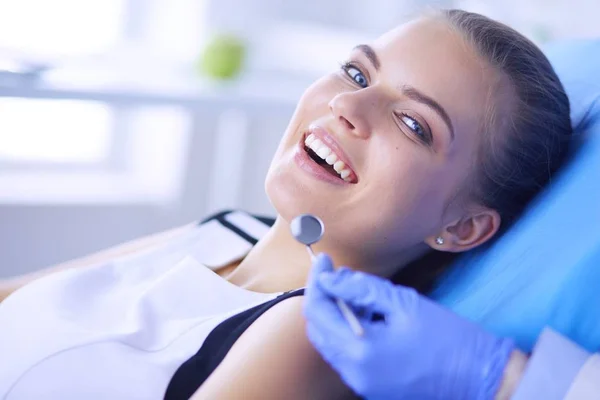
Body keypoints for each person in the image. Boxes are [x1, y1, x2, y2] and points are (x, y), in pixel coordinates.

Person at [0, 9, 572, 399]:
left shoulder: (306, 333)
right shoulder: (223, 229)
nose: (348, 103)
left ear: (463, 226)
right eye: (357, 71)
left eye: (412, 122)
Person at [305, 254, 600, 400]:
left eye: (416, 129)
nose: (352, 128)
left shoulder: (293, 331)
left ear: (461, 229)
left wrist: (506, 380)